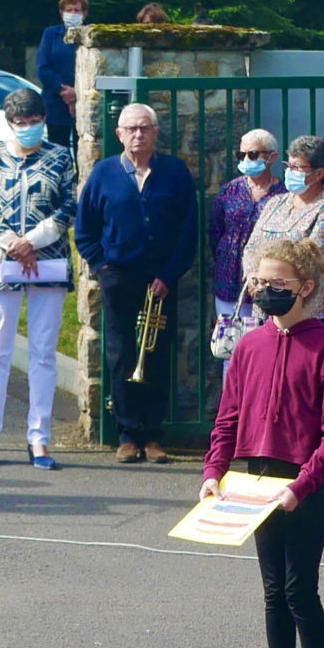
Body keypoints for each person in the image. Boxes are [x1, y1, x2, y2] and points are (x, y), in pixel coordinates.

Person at [203, 238, 324, 648]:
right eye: (260, 281)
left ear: (305, 288)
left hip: (306, 482)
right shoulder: (249, 346)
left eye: (276, 283)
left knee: (299, 589)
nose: (264, 290)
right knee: (272, 592)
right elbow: (227, 419)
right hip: (256, 479)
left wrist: (301, 486)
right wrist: (213, 472)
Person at [73, 102, 198, 465]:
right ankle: (127, 434)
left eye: (145, 128)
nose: (138, 134)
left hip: (161, 281)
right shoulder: (103, 173)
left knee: (158, 355)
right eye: (131, 129)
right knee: (121, 354)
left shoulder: (174, 172)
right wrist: (104, 268)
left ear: (156, 133)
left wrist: (169, 276)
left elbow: (187, 230)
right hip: (119, 280)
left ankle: (154, 435)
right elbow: (84, 230)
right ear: (119, 134)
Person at [0, 90, 75, 470]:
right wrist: (13, 244)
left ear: (44, 120)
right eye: (21, 123)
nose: (28, 128)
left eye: (34, 121)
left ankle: (39, 437)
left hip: (47, 261)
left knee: (43, 353)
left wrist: (32, 241)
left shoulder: (60, 156)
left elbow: (69, 205)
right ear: (9, 123)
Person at [238, 136, 324, 333]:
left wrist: (272, 279)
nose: (289, 172)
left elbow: (313, 255)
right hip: (265, 306)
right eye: (288, 165)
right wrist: (253, 275)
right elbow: (252, 246)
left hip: (305, 310)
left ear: (319, 173)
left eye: (297, 167)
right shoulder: (275, 203)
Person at [206, 129, 282, 358]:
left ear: (272, 157)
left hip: (265, 283)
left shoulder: (283, 195)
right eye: (241, 155)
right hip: (229, 282)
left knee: (264, 350)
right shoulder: (230, 191)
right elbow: (215, 231)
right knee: (230, 348)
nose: (246, 160)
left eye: (253, 154)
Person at [34, 0, 87, 147]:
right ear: (61, 12)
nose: (73, 13)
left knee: (84, 149)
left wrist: (77, 93)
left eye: (76, 10)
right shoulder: (50, 34)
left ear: (84, 13)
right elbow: (43, 67)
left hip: (85, 103)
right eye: (69, 10)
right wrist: (64, 91)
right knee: (57, 149)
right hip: (56, 103)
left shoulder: (90, 35)